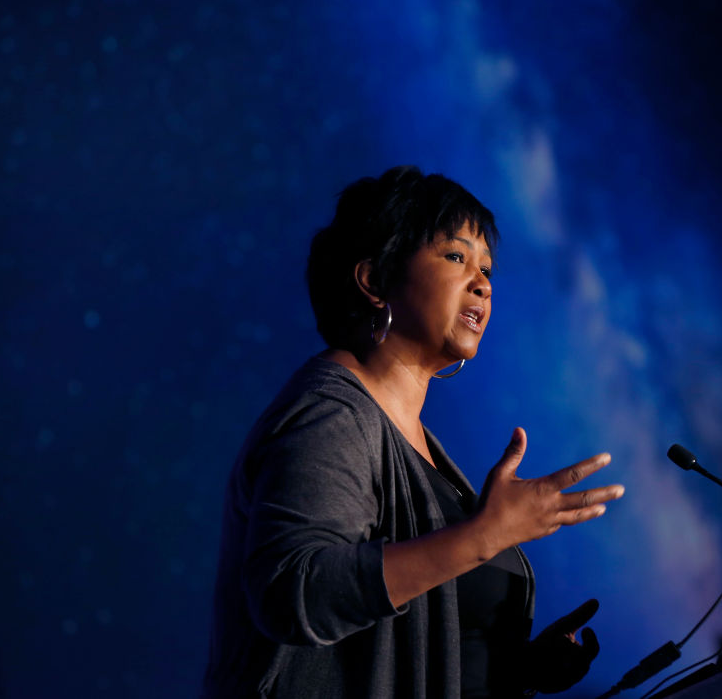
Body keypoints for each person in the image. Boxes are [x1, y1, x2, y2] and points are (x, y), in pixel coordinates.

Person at [202, 166, 625, 698]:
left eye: (487, 269)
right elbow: (294, 590)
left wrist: (516, 669)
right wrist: (483, 536)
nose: (483, 283)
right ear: (375, 280)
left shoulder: (421, 446)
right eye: (456, 256)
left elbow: (413, 638)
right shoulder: (330, 415)